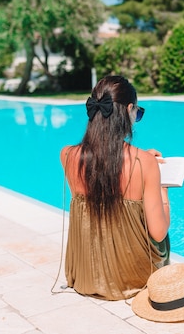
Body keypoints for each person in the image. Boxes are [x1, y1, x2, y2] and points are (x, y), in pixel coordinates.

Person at [60, 75, 170, 300]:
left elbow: (104, 171)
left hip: (85, 275)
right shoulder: (145, 164)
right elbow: (158, 233)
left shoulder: (68, 155)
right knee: (162, 238)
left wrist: (143, 159)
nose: (135, 117)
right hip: (132, 278)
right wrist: (163, 186)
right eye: (137, 113)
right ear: (129, 109)